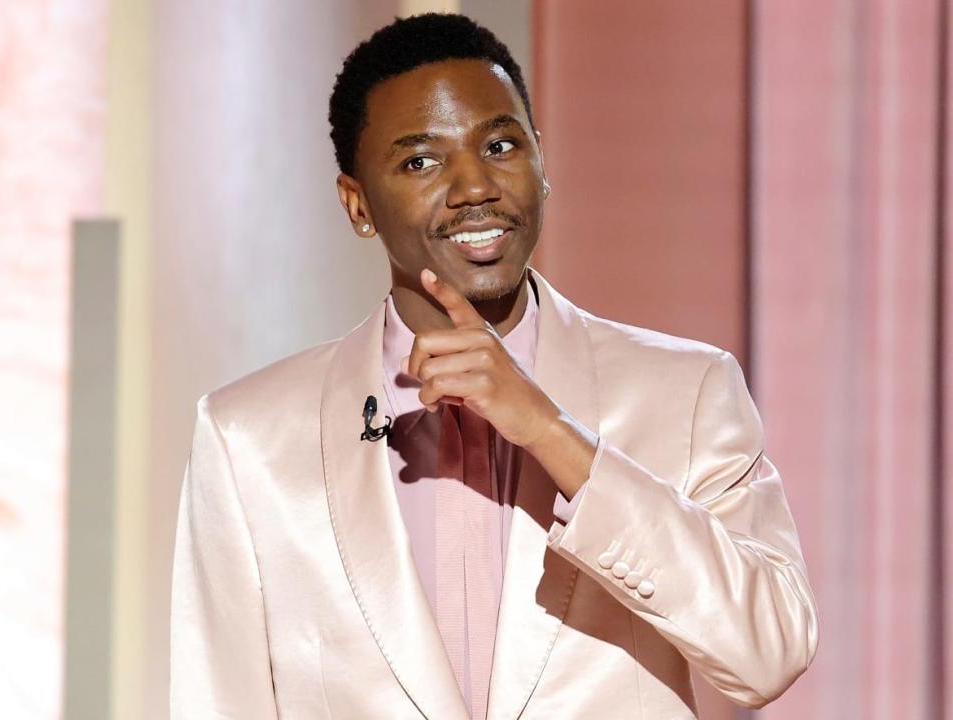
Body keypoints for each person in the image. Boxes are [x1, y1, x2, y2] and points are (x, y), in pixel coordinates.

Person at [170, 12, 818, 720]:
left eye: (501, 145)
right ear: (358, 205)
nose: (474, 185)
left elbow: (770, 650)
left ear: (542, 164)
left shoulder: (687, 391)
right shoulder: (249, 439)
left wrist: (552, 433)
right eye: (421, 161)